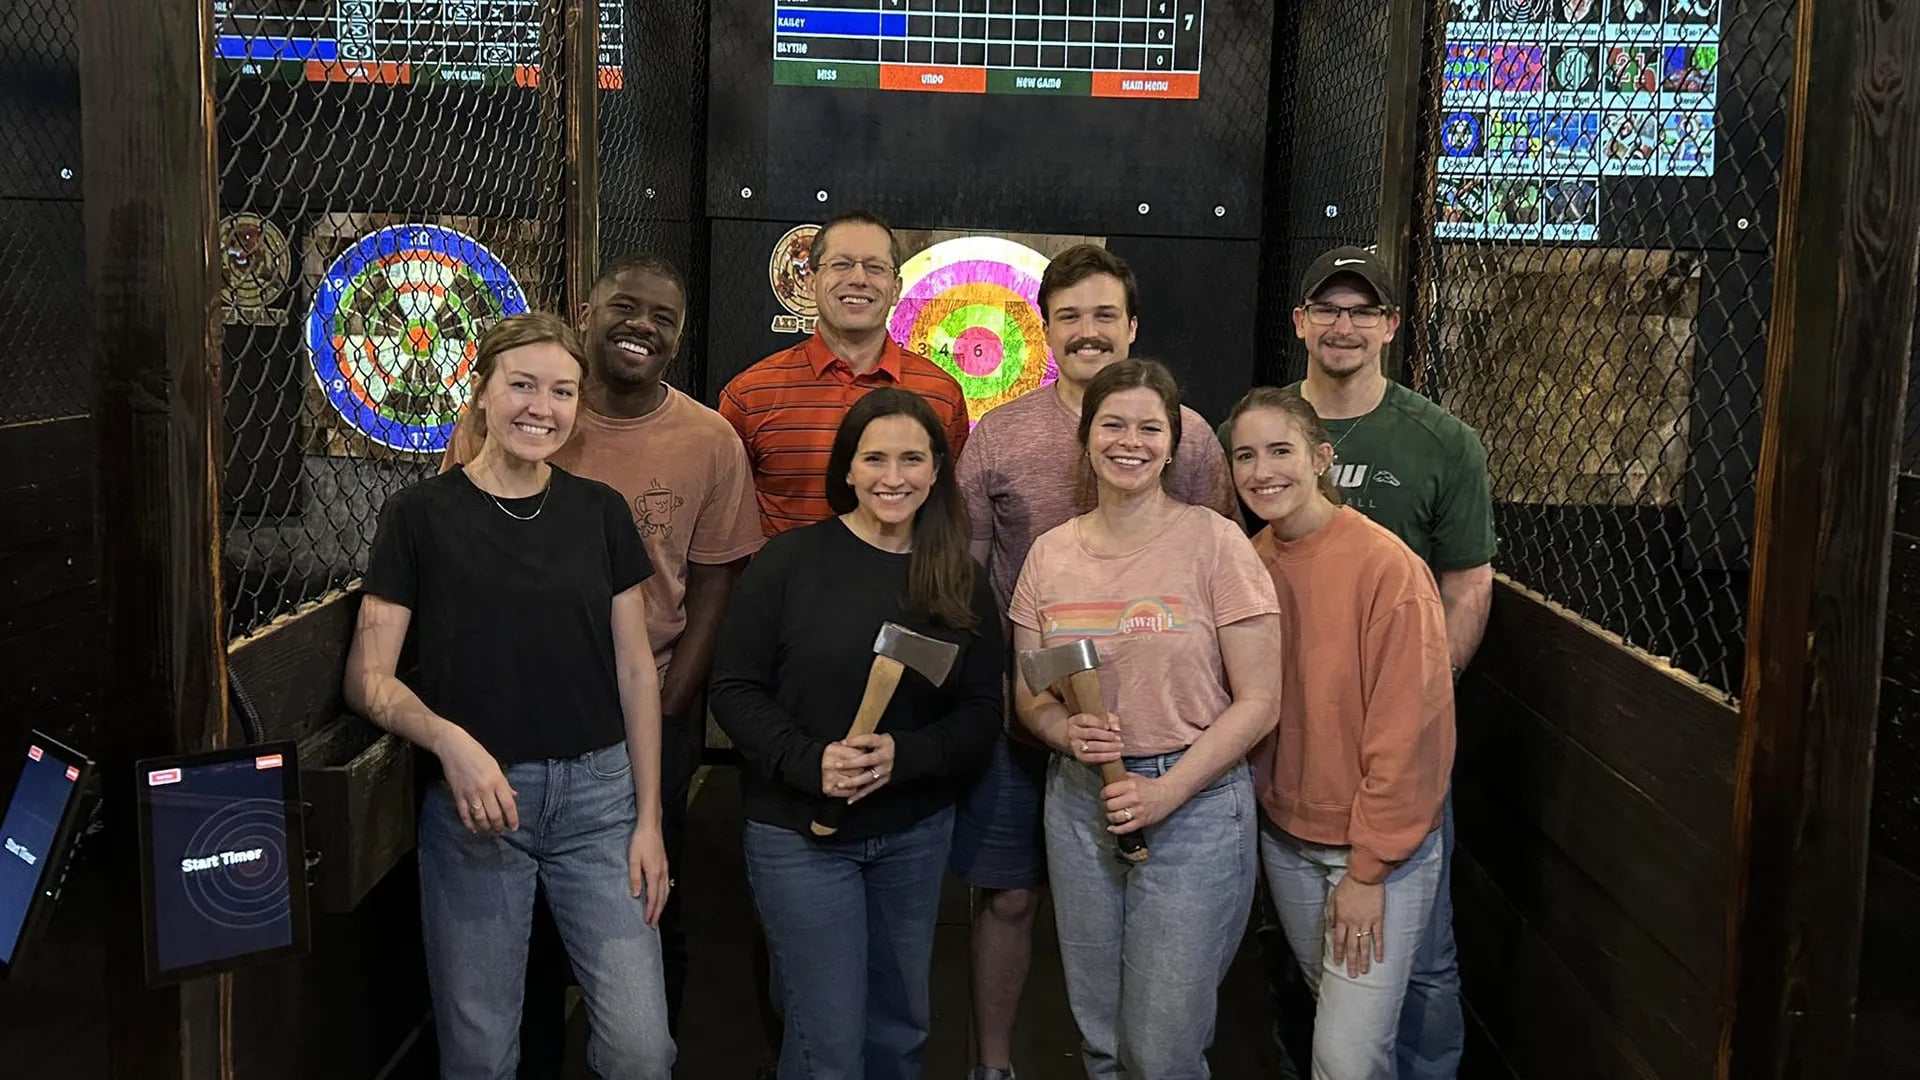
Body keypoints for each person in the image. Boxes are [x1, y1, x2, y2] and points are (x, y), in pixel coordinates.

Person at [444, 255, 764, 1048]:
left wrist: (671, 707)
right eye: (624, 307)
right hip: (520, 712)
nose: (642, 326)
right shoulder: (527, 418)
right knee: (524, 931)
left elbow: (717, 579)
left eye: (663, 317)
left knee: (652, 899)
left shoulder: (710, 440)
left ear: (679, 337)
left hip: (646, 706)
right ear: (585, 314)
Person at [345, 312, 674, 1079]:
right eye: (523, 385)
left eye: (562, 391)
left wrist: (650, 820)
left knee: (640, 1050)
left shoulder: (600, 512)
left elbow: (636, 673)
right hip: (479, 808)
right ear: (481, 391)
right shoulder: (420, 515)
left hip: (600, 802)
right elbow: (368, 678)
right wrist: (448, 740)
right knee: (480, 1055)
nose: (542, 408)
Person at [951, 244, 1237, 1080]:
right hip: (1033, 719)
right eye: (1069, 316)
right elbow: (967, 576)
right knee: (1011, 898)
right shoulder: (999, 435)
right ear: (1045, 330)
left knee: (1155, 966)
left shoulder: (1189, 436)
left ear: (1132, 325)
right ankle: (994, 1067)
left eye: (1104, 314)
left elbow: (1213, 564)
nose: (1087, 331)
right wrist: (1015, 703)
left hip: (1162, 733)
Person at [1233, 245, 1495, 1078]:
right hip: (1294, 804)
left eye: (1362, 311)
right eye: (1327, 309)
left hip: (1387, 785)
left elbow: (1467, 583)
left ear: (1390, 325)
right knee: (1341, 1007)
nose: (1343, 326)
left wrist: (1411, 713)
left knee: (1413, 980)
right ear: (1301, 322)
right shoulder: (1259, 514)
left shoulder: (1435, 451)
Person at [709, 387, 1004, 1080]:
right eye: (874, 459)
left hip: (913, 833)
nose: (892, 477)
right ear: (847, 468)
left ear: (937, 470)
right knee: (827, 1043)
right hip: (798, 833)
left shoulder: (957, 578)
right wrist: (811, 762)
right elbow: (734, 690)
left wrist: (906, 755)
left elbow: (982, 713)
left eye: (911, 459)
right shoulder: (789, 563)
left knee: (899, 1030)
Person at [1009, 359, 1282, 1078]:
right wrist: (1062, 730)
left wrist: (1165, 791)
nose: (1129, 442)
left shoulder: (1216, 543)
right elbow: (1032, 692)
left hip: (1192, 803)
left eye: (1149, 428)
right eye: (1112, 425)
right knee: (1102, 1038)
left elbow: (1260, 700)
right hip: (1081, 800)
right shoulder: (1049, 555)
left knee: (1160, 1050)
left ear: (1172, 446)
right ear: (1086, 438)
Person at [1225, 387, 1456, 1079]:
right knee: (1345, 1025)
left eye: (1281, 450)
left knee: (1346, 1059)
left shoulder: (1387, 568)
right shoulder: (1249, 562)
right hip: (1288, 838)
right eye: (1245, 455)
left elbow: (1409, 731)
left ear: (1321, 458)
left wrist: (1367, 869)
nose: (1262, 470)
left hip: (1371, 851)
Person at [720, 210, 971, 537]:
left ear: (896, 288)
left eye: (875, 267)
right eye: (841, 264)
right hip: (785, 572)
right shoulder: (751, 395)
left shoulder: (942, 394)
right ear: (811, 282)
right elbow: (724, 526)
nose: (858, 279)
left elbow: (948, 510)